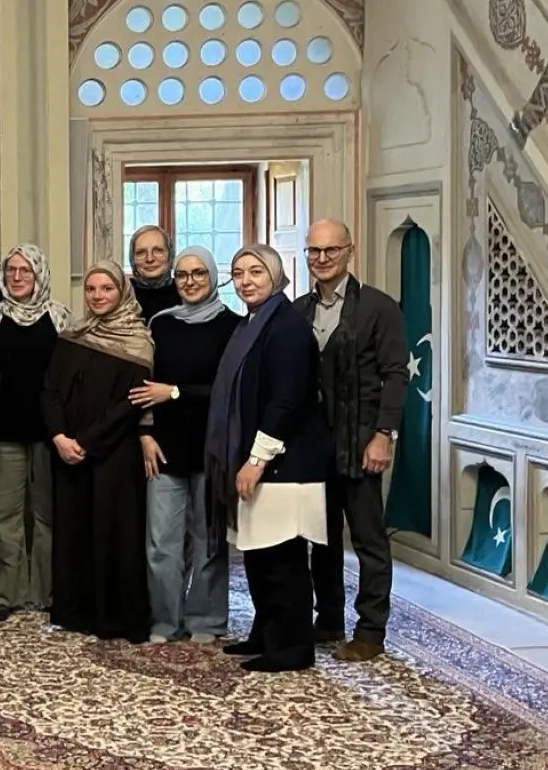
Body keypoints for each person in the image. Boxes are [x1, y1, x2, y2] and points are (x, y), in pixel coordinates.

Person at [209, 244, 331, 673]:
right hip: (263, 460)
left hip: (284, 465)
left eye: (256, 272)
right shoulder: (254, 323)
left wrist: (257, 459)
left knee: (283, 560)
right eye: (238, 273)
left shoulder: (287, 328)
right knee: (259, 556)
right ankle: (266, 634)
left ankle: (292, 648)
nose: (246, 281)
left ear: (275, 275)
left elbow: (286, 401)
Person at [294, 218, 409, 662]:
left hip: (362, 441)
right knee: (321, 540)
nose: (322, 258)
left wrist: (384, 435)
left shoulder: (379, 308)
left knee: (368, 542)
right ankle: (328, 620)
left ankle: (370, 632)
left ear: (349, 251)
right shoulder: (299, 309)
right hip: (313, 446)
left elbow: (395, 375)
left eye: (331, 250)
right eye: (314, 250)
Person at [133, 247, 240, 643]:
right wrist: (144, 434)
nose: (190, 281)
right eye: (182, 275)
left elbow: (230, 391)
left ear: (213, 277)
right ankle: (165, 621)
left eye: (198, 273)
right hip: (164, 448)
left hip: (212, 449)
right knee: (161, 543)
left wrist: (176, 392)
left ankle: (206, 622)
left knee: (209, 541)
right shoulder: (161, 324)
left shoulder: (233, 326)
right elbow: (143, 385)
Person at [42, 261, 153, 642]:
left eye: (107, 288)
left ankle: (113, 618)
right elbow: (50, 390)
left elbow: (130, 404)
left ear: (122, 292)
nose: (98, 296)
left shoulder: (138, 341)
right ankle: (75, 612)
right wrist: (59, 436)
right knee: (74, 532)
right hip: (68, 453)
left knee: (113, 533)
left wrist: (86, 441)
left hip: (113, 455)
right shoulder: (73, 334)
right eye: (91, 289)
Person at [0, 244, 68, 622]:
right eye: (11, 270)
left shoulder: (59, 318)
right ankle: (6, 594)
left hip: (51, 435)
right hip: (4, 433)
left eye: (26, 271)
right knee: (4, 516)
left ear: (39, 275)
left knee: (48, 516)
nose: (17, 277)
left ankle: (46, 592)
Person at [128, 226, 181, 321]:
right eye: (141, 252)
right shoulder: (123, 294)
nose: (150, 259)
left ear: (170, 255)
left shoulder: (185, 291)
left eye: (158, 251)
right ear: (132, 258)